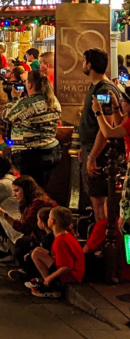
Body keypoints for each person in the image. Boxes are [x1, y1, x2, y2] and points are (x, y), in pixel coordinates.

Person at [77, 47, 122, 223]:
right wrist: (85, 148)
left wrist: (93, 156)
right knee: (95, 198)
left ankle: (103, 240)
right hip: (91, 149)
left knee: (99, 200)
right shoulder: (95, 86)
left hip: (101, 155)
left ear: (90, 64)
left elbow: (107, 127)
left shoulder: (104, 90)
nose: (82, 64)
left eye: (83, 61)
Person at [5, 70, 61, 187]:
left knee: (30, 189)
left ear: (30, 84)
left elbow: (7, 116)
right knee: (43, 187)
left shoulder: (27, 103)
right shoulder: (54, 101)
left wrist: (14, 99)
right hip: (51, 150)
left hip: (31, 155)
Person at [28, 206, 85, 299]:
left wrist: (50, 278)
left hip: (71, 275)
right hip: (75, 271)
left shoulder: (60, 240)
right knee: (38, 250)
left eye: (49, 217)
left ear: (53, 221)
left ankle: (49, 286)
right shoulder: (65, 235)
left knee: (36, 254)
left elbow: (67, 266)